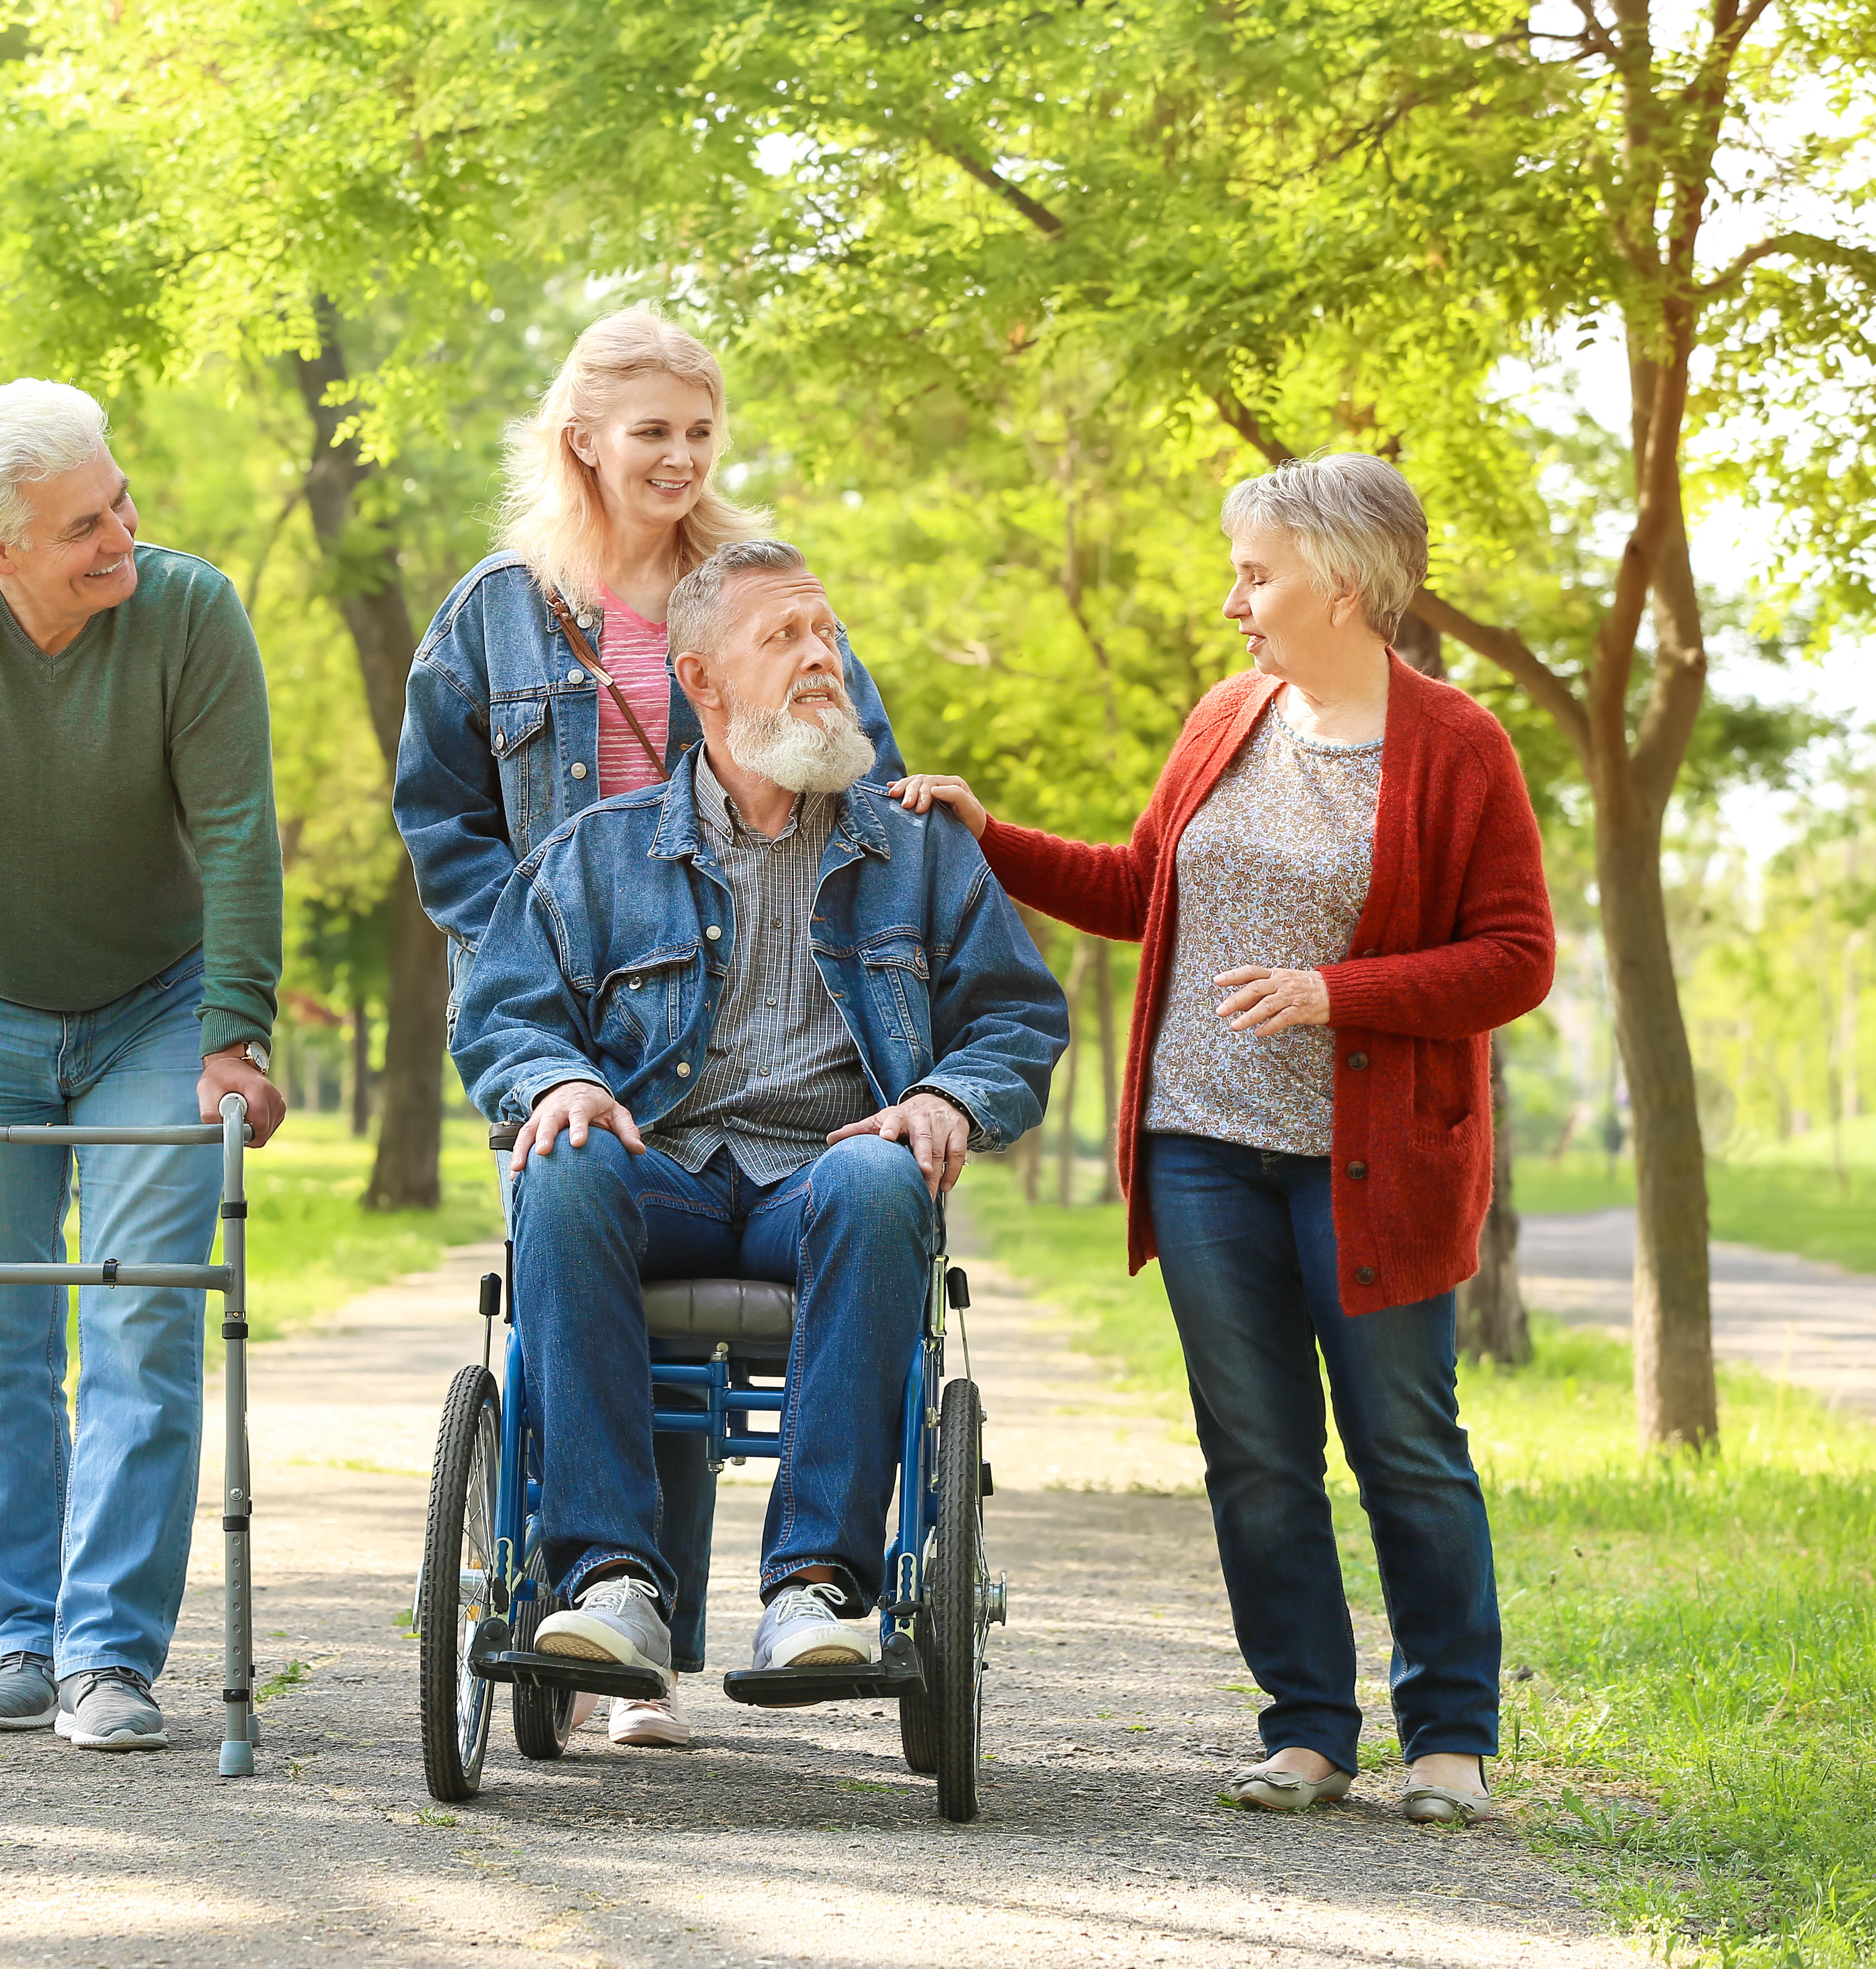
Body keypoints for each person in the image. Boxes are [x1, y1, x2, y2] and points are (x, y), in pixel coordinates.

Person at [892, 452, 1554, 1825]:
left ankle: (1450, 1736)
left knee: (1404, 1445)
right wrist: (988, 836)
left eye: (1257, 573)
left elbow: (1517, 958)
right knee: (1255, 1451)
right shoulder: (1224, 717)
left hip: (1371, 1166)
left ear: (1348, 582)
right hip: (1200, 1144)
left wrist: (1336, 992)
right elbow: (1144, 889)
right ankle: (1307, 1728)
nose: (1234, 600)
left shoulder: (1459, 747)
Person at [393, 308, 910, 1745]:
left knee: (713, 1236)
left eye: (699, 431)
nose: (681, 457)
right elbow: (438, 809)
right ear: (584, 442)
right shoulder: (496, 610)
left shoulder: (756, 595)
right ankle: (608, 1595)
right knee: (589, 1244)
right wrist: (542, 947)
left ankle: (657, 1631)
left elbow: (860, 762)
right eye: (652, 433)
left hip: (739, 1006)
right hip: (572, 1003)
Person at [452, 538, 1066, 1700]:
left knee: (885, 1183)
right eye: (782, 638)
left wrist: (944, 1096)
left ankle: (817, 1590)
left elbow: (1017, 1022)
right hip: (663, 1169)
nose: (819, 658)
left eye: (825, 635)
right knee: (566, 1163)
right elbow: (501, 1016)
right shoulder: (602, 854)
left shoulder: (919, 852)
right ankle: (610, 1582)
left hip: (829, 1179)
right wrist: (556, 1083)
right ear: (701, 682)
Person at [0, 379, 288, 1754]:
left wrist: (235, 1033)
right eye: (86, 524)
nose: (122, 537)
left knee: (144, 1313)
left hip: (157, 1005)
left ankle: (108, 1658)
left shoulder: (190, 614)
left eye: (123, 500)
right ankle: (22, 1634)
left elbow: (239, 832)